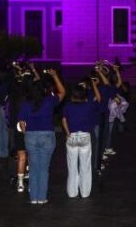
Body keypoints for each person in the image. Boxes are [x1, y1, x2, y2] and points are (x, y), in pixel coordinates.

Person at [18, 68, 66, 204]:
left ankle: (34, 197)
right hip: (47, 135)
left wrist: (26, 133)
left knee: (33, 168)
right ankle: (42, 197)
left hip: (31, 136)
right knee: (44, 168)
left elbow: (22, 124)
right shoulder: (49, 101)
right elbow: (62, 92)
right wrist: (56, 76)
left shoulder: (26, 103)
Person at [62, 81, 101, 198]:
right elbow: (98, 98)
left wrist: (68, 133)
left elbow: (64, 120)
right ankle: (84, 193)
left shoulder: (68, 106)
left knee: (72, 166)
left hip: (72, 136)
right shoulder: (88, 105)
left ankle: (72, 192)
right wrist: (92, 85)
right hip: (85, 136)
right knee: (85, 166)